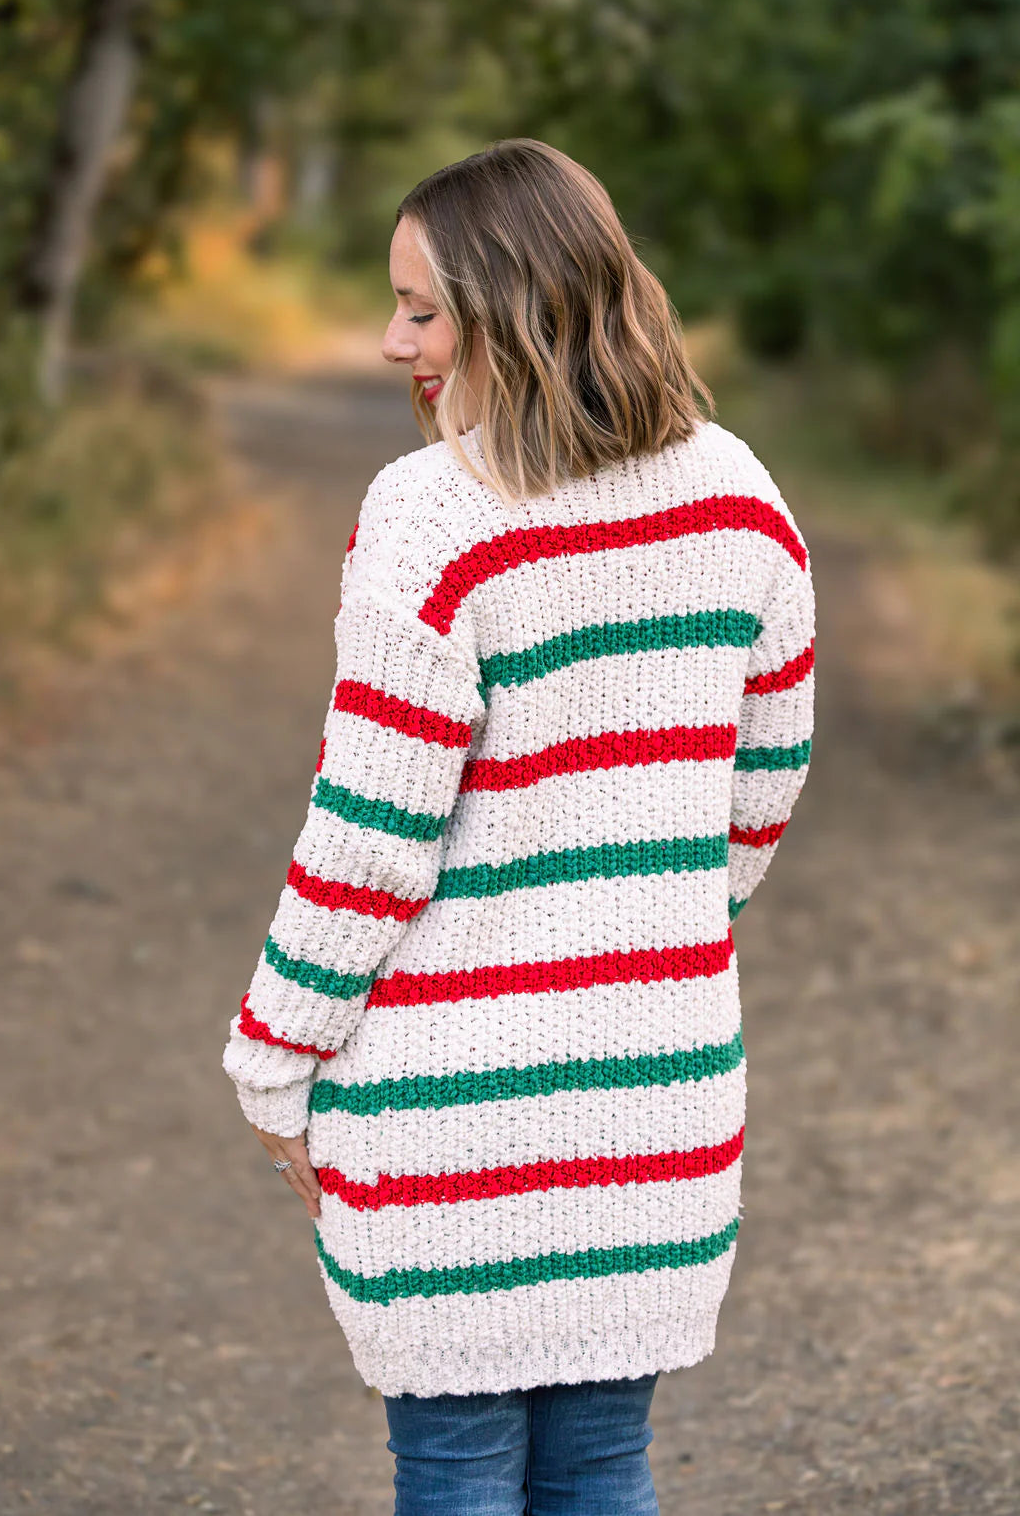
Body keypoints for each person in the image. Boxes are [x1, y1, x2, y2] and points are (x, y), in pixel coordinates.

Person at [222, 136, 816, 1514]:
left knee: (457, 1472)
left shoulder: (435, 520)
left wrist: (273, 1056)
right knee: (606, 1467)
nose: (389, 342)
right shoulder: (741, 499)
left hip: (450, 1117)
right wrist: (643, 935)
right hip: (655, 1102)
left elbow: (370, 840)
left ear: (517, 307)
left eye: (422, 309)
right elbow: (760, 794)